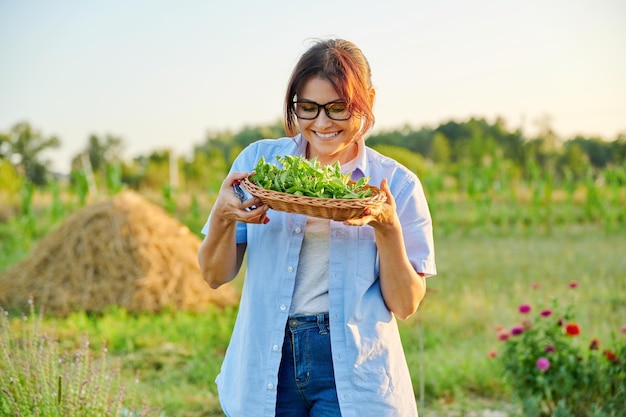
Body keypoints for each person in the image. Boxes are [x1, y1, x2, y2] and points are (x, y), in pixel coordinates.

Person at [198, 38, 436, 417]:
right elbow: (213, 275)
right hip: (268, 356)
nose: (322, 124)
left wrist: (388, 229)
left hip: (353, 364)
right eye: (308, 108)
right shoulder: (261, 165)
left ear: (368, 101)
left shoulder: (395, 184)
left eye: (338, 108)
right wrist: (223, 217)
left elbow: (405, 305)